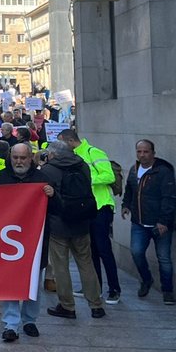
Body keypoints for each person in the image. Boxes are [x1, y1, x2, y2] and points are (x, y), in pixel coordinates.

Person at [0, 143, 56, 342]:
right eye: (15, 157)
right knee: (9, 282)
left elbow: (58, 210)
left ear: (30, 158)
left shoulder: (43, 180)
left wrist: (53, 196)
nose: (19, 161)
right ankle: (10, 324)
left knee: (33, 283)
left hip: (35, 242)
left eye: (23, 158)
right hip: (7, 241)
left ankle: (29, 321)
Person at [41, 141, 106, 321]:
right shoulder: (82, 165)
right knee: (86, 263)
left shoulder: (48, 170)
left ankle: (67, 305)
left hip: (59, 224)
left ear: (52, 154)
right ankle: (96, 305)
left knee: (60, 266)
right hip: (82, 221)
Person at [59, 128, 122, 303]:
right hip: (85, 208)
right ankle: (95, 287)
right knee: (90, 250)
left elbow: (108, 176)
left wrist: (85, 179)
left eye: (62, 143)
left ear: (69, 141)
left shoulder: (93, 152)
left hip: (101, 206)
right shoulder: (73, 156)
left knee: (103, 249)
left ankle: (114, 289)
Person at [122, 139, 176, 304]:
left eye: (146, 152)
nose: (142, 155)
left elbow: (169, 197)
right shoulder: (134, 170)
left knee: (164, 258)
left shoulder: (163, 171)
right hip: (139, 222)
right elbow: (130, 190)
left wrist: (163, 221)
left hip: (159, 223)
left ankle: (168, 291)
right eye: (139, 152)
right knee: (137, 252)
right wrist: (126, 205)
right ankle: (146, 279)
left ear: (153, 153)